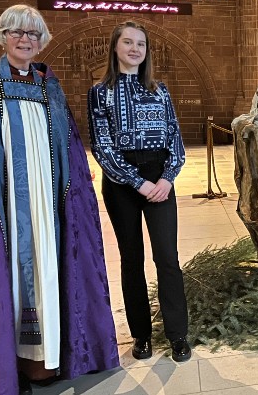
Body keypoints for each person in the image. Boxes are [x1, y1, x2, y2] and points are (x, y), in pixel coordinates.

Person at [0, 4, 119, 395]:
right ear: (2, 35)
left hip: (48, 205)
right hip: (2, 207)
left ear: (42, 41)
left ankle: (48, 358)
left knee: (49, 271)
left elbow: (69, 145)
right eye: (16, 32)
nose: (25, 40)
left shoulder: (48, 85)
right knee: (10, 278)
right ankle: (9, 366)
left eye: (33, 34)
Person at [88, 20, 191, 363]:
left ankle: (178, 334)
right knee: (131, 260)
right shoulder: (99, 92)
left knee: (167, 258)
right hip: (122, 185)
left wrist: (167, 178)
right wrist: (137, 182)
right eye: (128, 42)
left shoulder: (159, 90)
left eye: (141, 44)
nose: (135, 49)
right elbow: (102, 148)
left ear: (146, 52)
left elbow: (175, 139)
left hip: (159, 178)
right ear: (115, 47)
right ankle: (141, 335)